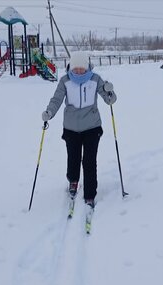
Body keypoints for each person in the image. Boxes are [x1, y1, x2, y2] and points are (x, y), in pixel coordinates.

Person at [42, 51, 117, 212]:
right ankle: (73, 181)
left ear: (87, 66)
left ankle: (90, 193)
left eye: (81, 68)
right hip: (71, 128)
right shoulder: (65, 81)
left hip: (92, 127)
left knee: (89, 161)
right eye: (75, 68)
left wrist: (110, 90)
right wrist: (49, 112)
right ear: (71, 67)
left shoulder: (95, 79)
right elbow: (56, 100)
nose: (78, 71)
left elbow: (109, 99)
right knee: (73, 158)